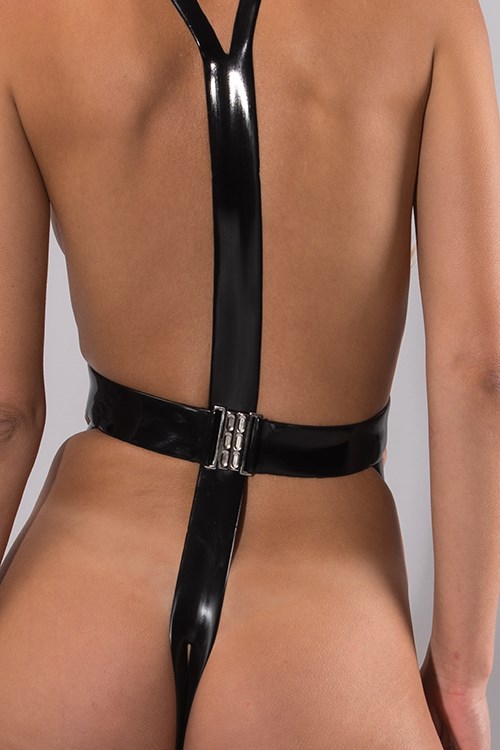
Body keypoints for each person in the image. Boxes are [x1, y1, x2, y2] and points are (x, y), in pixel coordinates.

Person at [0, 0, 498, 748]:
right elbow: (479, 372)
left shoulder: (22, 18)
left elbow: (6, 410)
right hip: (321, 623)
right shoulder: (431, 11)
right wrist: (463, 679)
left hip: (79, 602)